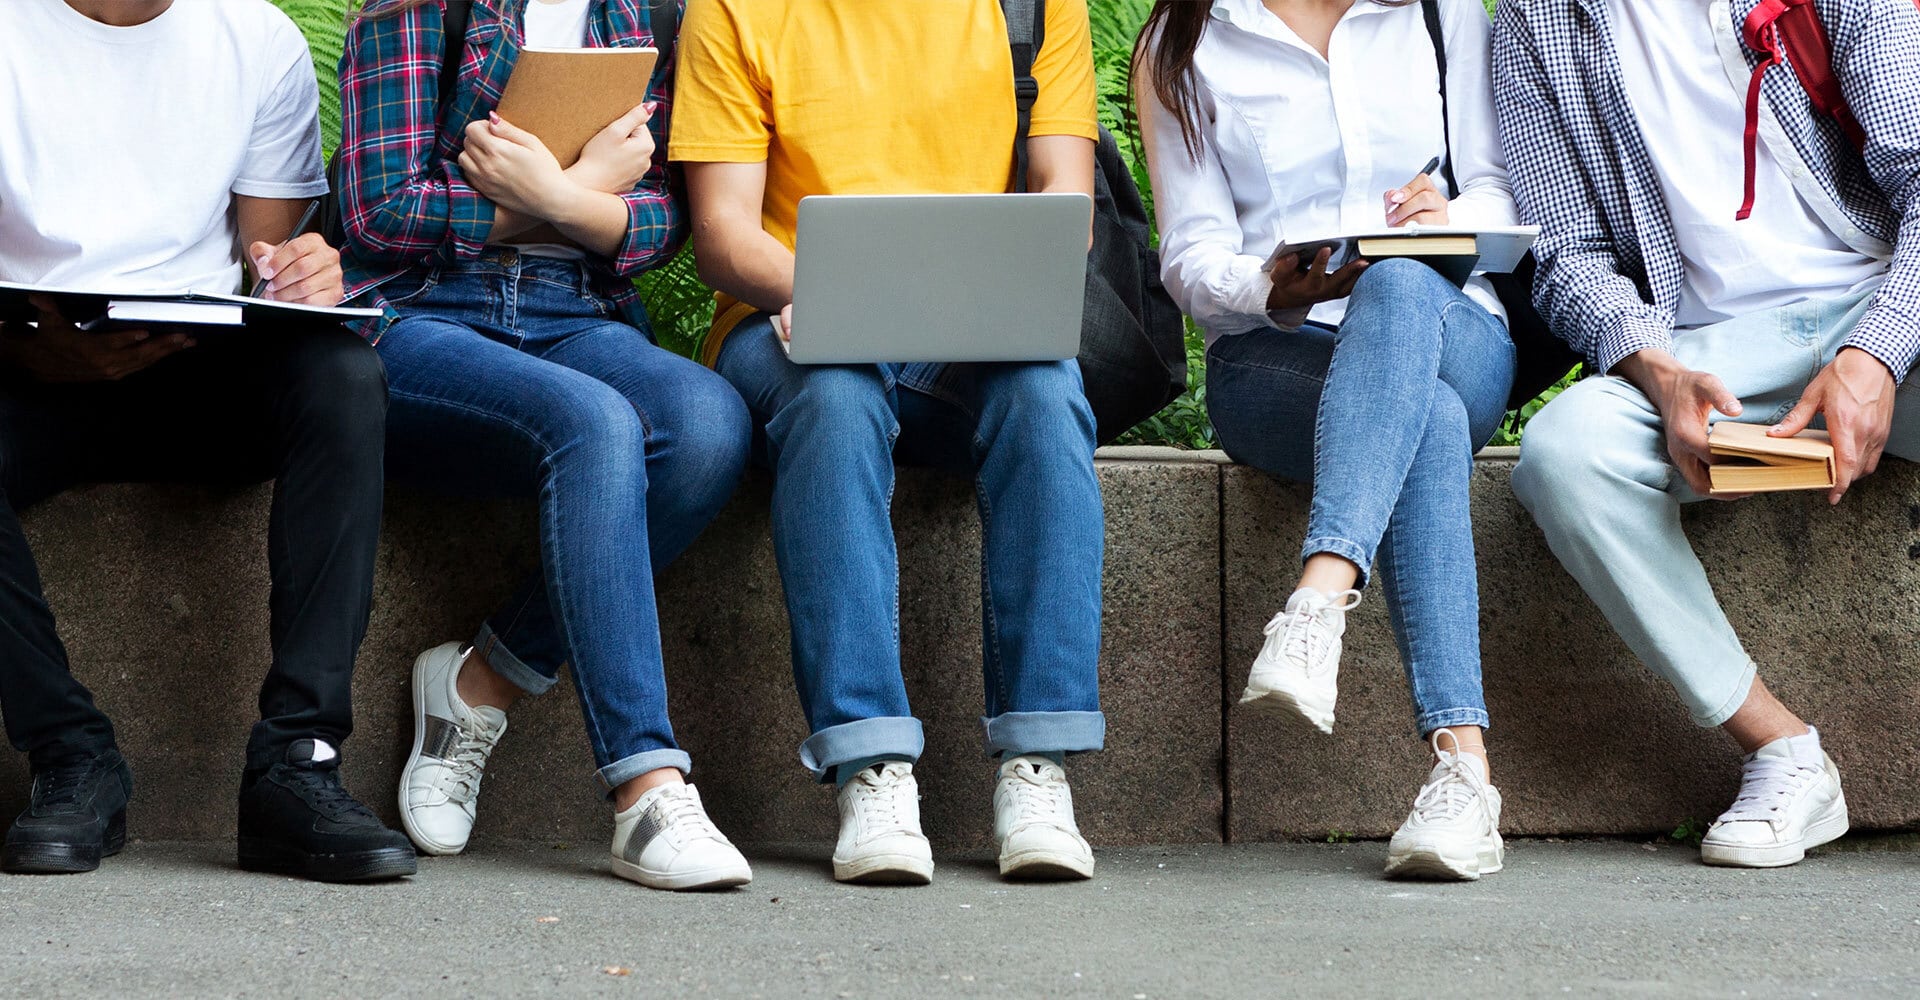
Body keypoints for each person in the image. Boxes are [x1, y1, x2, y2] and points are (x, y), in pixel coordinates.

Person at [671, 0, 1108, 884]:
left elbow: (1068, 202)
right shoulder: (734, 9)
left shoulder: (1034, 4)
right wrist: (830, 295)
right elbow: (721, 233)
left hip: (970, 325)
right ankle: (871, 767)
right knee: (833, 398)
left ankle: (1039, 768)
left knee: (1044, 391)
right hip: (788, 313)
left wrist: (986, 297)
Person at [337, 0, 756, 891]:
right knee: (596, 421)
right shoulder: (416, 8)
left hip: (578, 316)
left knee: (709, 425)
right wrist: (570, 198)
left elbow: (657, 229)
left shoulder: (649, 13)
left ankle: (480, 682)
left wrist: (559, 195)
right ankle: (647, 788)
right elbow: (380, 213)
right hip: (420, 313)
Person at [1495, 0, 1920, 867]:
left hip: (1885, 306)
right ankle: (1782, 751)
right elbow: (1569, 256)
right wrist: (1660, 370)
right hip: (1708, 356)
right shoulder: (1535, 17)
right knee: (1567, 455)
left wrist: (1876, 352)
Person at [0, 0, 412, 881]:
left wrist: (305, 269)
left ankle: (296, 765)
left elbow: (267, 253)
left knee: (343, 376)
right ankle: (72, 759)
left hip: (200, 363)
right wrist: (35, 346)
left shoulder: (254, 36)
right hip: (28, 365)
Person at [1138, 0, 1520, 880]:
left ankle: (1316, 600)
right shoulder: (1184, 39)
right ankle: (1465, 774)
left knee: (1394, 285)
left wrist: (1446, 212)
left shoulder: (1441, 9)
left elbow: (1503, 187)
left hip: (1452, 324)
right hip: (1280, 355)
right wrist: (1271, 283)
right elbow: (1191, 255)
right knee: (1420, 420)